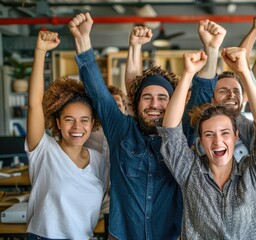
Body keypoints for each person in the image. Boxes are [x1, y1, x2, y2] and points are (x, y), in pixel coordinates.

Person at [69, 13, 182, 239]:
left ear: (173, 104)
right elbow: (99, 93)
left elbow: (202, 92)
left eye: (162, 98)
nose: (154, 104)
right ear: (135, 103)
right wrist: (83, 40)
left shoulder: (181, 136)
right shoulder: (121, 129)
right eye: (147, 98)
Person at [159, 47, 256, 239]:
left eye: (224, 133)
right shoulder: (189, 171)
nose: (218, 141)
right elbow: (170, 133)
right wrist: (187, 74)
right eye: (209, 134)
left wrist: (244, 72)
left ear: (235, 136)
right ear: (200, 139)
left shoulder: (250, 172)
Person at [26, 30, 107, 239]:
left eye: (84, 120)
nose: (77, 127)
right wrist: (40, 51)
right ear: (58, 122)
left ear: (92, 124)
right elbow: (35, 104)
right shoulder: (43, 150)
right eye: (69, 119)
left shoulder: (98, 160)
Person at [84, 84, 127, 217]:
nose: (113, 110)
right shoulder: (87, 129)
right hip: (87, 194)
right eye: (109, 105)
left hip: (115, 199)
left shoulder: (128, 132)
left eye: (118, 105)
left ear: (124, 109)